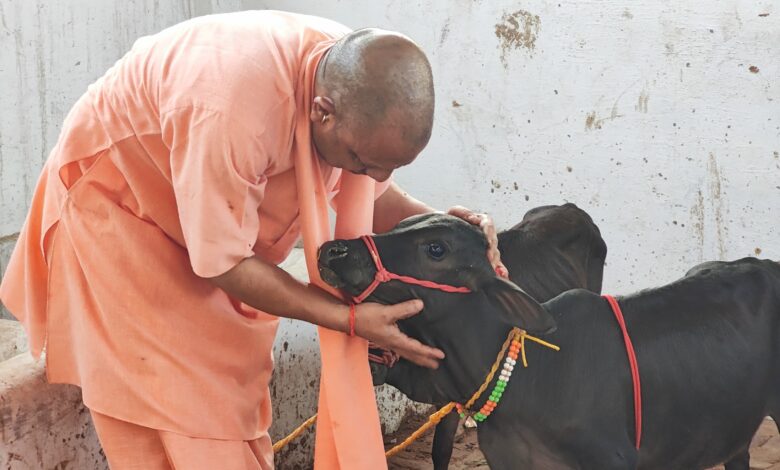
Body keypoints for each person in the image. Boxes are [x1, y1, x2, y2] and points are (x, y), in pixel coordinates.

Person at [0, 10, 504, 469]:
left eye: (387, 166)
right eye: (362, 162)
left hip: (202, 227)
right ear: (322, 113)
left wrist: (448, 228)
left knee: (226, 407)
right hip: (124, 219)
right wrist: (348, 318)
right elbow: (222, 262)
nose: (370, 177)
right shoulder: (230, 111)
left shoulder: (345, 87)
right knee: (169, 410)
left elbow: (375, 194)